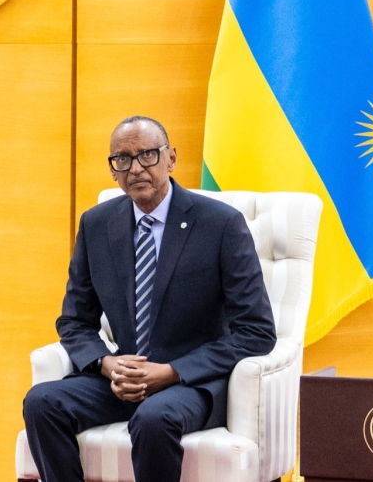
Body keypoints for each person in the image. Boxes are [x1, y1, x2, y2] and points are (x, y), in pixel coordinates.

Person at [23, 116, 276, 482]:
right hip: (121, 380)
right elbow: (74, 321)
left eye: (148, 155)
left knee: (154, 418)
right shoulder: (96, 225)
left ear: (171, 158)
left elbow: (256, 331)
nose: (136, 168)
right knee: (41, 403)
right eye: (122, 159)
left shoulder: (221, 225)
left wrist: (172, 372)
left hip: (190, 383)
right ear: (113, 170)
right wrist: (107, 364)